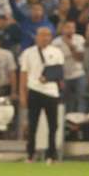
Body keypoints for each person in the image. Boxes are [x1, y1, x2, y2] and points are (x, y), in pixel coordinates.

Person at [19, 26, 64, 163]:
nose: (45, 37)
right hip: (34, 90)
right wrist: (22, 94)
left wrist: (50, 78)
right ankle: (30, 154)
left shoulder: (57, 52)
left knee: (53, 126)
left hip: (51, 91)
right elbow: (24, 74)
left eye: (47, 35)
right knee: (33, 125)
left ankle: (52, 155)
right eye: (42, 35)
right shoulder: (28, 53)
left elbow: (59, 72)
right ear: (36, 37)